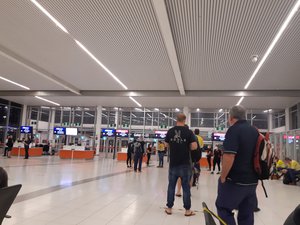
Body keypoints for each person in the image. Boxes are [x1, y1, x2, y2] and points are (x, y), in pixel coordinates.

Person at [216, 105, 259, 225]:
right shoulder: (254, 131)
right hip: (252, 182)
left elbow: (229, 156)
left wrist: (223, 176)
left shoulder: (234, 130)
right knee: (246, 213)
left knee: (223, 208)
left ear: (231, 117)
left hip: (235, 180)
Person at [164, 113, 197, 216]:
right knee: (186, 188)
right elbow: (194, 146)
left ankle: (169, 208)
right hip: (185, 164)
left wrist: (174, 145)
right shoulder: (189, 132)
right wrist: (185, 145)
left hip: (173, 164)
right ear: (185, 120)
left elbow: (166, 144)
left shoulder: (170, 131)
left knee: (171, 186)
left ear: (176, 120)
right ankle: (187, 210)